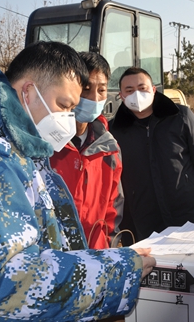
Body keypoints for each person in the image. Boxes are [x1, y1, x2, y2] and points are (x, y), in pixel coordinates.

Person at [0, 41, 155, 321]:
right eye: (63, 106)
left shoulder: (18, 143)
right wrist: (115, 272)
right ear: (28, 91)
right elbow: (8, 282)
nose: (68, 120)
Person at [110, 67, 194, 243]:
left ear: (153, 89)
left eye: (142, 88)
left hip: (186, 216)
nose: (136, 94)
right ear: (121, 95)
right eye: (129, 90)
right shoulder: (114, 130)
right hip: (141, 221)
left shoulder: (180, 117)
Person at [50, 52, 124, 249]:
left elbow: (113, 208)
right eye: (86, 88)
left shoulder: (109, 148)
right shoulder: (47, 143)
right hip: (55, 257)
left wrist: (109, 246)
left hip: (96, 254)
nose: (94, 98)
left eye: (101, 90)